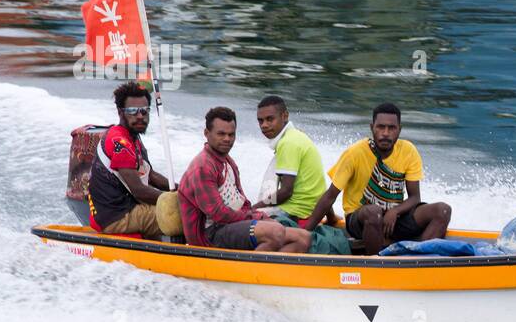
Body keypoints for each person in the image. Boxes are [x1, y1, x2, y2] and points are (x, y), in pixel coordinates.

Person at [300, 103, 451, 255]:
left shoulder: (408, 151)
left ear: (400, 129)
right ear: (372, 127)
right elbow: (330, 195)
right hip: (361, 219)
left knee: (443, 210)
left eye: (391, 128)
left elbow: (415, 197)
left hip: (393, 219)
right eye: (381, 127)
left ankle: (419, 259)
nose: (385, 133)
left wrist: (395, 211)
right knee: (374, 212)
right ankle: (376, 262)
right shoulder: (355, 153)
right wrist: (305, 234)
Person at [178, 107, 313, 252]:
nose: (227, 139)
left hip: (231, 224)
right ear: (206, 133)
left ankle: (267, 270)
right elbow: (218, 213)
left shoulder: (228, 162)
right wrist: (253, 216)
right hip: (210, 234)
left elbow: (241, 202)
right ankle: (253, 272)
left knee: (303, 237)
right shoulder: (203, 167)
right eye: (221, 134)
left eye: (231, 134)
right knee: (275, 232)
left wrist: (259, 216)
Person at [87, 80, 173, 239]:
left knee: (180, 208)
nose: (140, 116)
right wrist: (176, 200)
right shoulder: (120, 142)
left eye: (144, 111)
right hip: (116, 216)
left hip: (125, 208)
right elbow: (139, 191)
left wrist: (181, 189)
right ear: (120, 112)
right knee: (182, 217)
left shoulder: (133, 137)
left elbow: (151, 175)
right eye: (133, 111)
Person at [254, 95, 331, 223]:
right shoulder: (296, 135)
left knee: (246, 221)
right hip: (312, 208)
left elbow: (286, 192)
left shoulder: (287, 143)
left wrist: (254, 208)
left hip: (296, 211)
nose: (264, 125)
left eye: (270, 119)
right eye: (260, 121)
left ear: (285, 116)